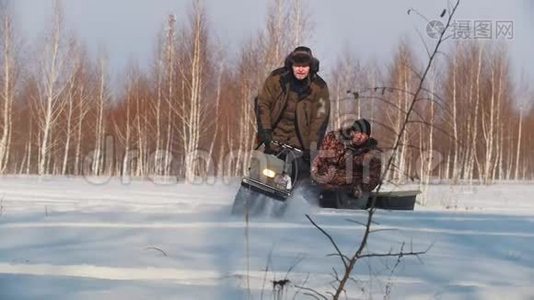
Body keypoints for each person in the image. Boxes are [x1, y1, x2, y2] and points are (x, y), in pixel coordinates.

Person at [255, 46, 330, 179]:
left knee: (299, 178)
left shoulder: (320, 88)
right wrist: (265, 131)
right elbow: (263, 103)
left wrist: (311, 149)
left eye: (305, 65)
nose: (300, 69)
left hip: (301, 143)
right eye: (297, 65)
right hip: (273, 137)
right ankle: (247, 198)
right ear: (291, 65)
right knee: (258, 176)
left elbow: (319, 121)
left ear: (310, 66)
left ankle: (297, 198)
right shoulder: (276, 78)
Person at [311, 119, 382, 198]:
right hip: (324, 184)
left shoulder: (371, 154)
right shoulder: (336, 140)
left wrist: (360, 189)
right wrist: (315, 171)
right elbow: (320, 157)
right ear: (352, 132)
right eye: (357, 132)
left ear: (367, 137)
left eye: (363, 134)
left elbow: (373, 178)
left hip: (348, 191)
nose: (359, 137)